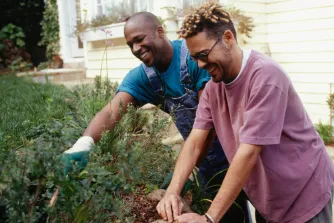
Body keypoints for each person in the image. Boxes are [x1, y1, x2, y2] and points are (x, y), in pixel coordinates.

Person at [156, 3, 334, 223]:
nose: (201, 64)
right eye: (195, 58)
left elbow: (248, 152)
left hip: (303, 193)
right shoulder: (214, 87)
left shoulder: (265, 77)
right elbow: (194, 142)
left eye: (204, 54)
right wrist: (172, 192)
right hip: (268, 198)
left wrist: (209, 218)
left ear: (228, 38)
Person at [61, 12, 251, 222]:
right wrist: (82, 145)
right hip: (203, 161)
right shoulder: (144, 77)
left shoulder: (196, 59)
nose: (135, 49)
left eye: (139, 40)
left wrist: (189, 172)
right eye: (130, 44)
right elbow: (111, 111)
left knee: (254, 210)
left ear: (160, 32)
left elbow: (210, 123)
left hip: (238, 153)